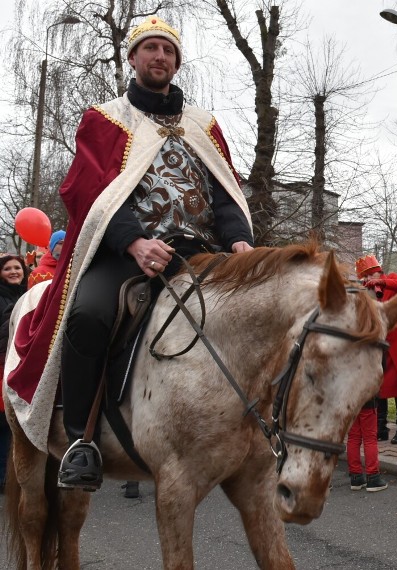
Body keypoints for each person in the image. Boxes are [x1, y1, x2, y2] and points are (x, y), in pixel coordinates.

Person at [6, 15, 253, 492]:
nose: (160, 57)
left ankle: (262, 432)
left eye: (168, 50)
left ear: (177, 62)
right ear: (134, 58)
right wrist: (134, 241)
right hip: (125, 250)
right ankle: (81, 440)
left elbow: (225, 193)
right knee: (89, 315)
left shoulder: (205, 125)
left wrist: (239, 236)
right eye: (151, 48)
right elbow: (88, 191)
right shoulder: (106, 119)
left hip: (201, 252)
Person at [358, 255, 397, 444]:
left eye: (370, 275)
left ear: (379, 271)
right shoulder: (367, 291)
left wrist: (382, 282)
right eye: (365, 277)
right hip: (380, 343)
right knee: (380, 386)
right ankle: (381, 427)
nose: (368, 279)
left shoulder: (391, 279)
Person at [0, 254, 30, 492]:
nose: (13, 271)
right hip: (3, 366)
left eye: (17, 267)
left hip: (23, 366)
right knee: (3, 425)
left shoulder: (28, 295)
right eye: (7, 268)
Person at [346, 395, 388, 492]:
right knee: (369, 438)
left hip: (350, 400)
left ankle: (355, 476)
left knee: (353, 438)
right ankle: (373, 477)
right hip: (367, 399)